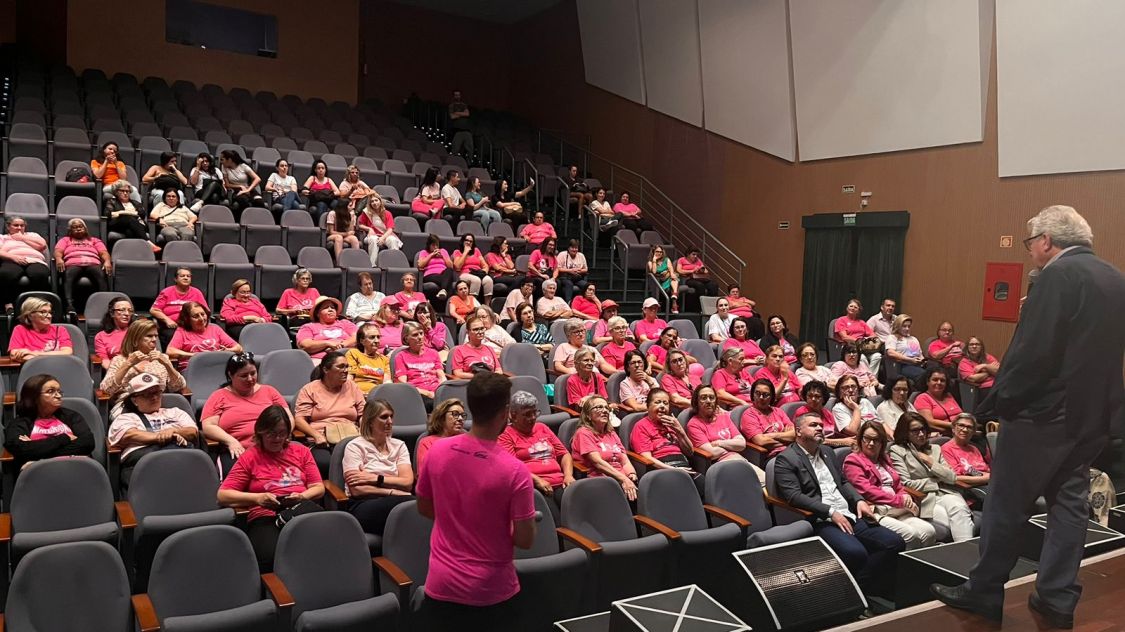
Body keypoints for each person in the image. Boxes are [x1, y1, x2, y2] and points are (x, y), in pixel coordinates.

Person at [415, 373, 536, 629]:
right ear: (505, 413)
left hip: (441, 584)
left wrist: (460, 517)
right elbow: (525, 540)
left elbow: (424, 507)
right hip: (491, 591)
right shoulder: (515, 471)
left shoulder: (437, 450)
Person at [774, 412, 906, 596]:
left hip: (849, 514)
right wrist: (830, 512)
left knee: (895, 542)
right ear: (798, 431)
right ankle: (854, 594)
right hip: (822, 520)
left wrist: (859, 500)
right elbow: (793, 496)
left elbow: (843, 482)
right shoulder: (786, 459)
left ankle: (859, 589)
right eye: (813, 425)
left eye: (820, 424)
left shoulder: (827, 452)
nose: (819, 428)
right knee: (855, 552)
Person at [218, 405, 324, 570]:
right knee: (269, 555)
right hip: (265, 515)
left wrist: (302, 496)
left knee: (323, 538)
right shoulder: (250, 457)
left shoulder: (301, 451)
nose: (277, 439)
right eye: (271, 433)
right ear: (260, 432)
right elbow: (223, 495)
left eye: (282, 433)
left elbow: (318, 487)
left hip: (300, 506)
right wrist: (257, 498)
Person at [843, 421, 937, 550]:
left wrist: (904, 495)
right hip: (877, 510)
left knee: (929, 531)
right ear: (860, 439)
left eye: (876, 440)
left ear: (882, 442)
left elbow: (898, 484)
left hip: (898, 508)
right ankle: (906, 569)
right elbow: (867, 490)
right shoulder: (853, 460)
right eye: (867, 439)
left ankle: (924, 567)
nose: (871, 443)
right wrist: (899, 500)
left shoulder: (884, 458)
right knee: (911, 534)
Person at [889, 412, 975, 543]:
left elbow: (952, 477)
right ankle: (963, 554)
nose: (921, 434)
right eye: (915, 430)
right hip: (924, 498)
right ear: (905, 432)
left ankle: (967, 553)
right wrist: (937, 480)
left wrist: (931, 462)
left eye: (923, 429)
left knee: (960, 510)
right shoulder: (898, 451)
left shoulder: (935, 449)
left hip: (946, 493)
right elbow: (906, 483)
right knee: (951, 523)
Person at [201, 353, 291, 475]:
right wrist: (231, 441)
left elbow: (288, 418)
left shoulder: (269, 391)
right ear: (230, 375)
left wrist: (281, 436)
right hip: (239, 449)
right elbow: (208, 426)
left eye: (253, 373)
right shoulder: (219, 396)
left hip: (273, 445)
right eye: (243, 375)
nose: (250, 379)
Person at [107, 372, 198, 490]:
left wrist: (173, 431)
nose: (154, 397)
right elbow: (129, 435)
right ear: (134, 400)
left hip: (181, 460)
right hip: (144, 466)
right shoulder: (126, 418)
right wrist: (165, 436)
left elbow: (192, 432)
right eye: (147, 394)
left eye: (156, 392)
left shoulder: (176, 412)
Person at [342, 399, 414, 537]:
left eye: (391, 416)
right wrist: (393, 491)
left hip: (398, 501)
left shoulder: (399, 446)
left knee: (414, 512)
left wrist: (375, 478)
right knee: (412, 508)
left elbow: (407, 482)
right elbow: (357, 490)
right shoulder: (355, 447)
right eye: (384, 417)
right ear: (370, 421)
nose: (390, 421)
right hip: (363, 504)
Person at [499, 390, 575, 518]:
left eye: (535, 412)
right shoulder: (506, 435)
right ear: (513, 415)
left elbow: (564, 454)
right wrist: (537, 480)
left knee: (578, 511)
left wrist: (568, 475)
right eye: (527, 414)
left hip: (561, 482)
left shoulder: (542, 428)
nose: (533, 417)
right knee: (554, 517)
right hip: (534, 487)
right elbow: (511, 468)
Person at [4, 374, 95, 470]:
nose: (59, 396)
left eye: (59, 391)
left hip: (77, 470)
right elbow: (20, 449)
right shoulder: (20, 422)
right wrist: (65, 438)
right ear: (34, 396)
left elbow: (87, 443)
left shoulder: (71, 416)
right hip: (39, 475)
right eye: (51, 391)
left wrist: (37, 451)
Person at [296, 350, 364, 474]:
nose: (345, 370)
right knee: (325, 463)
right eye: (340, 367)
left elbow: (363, 414)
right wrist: (316, 435)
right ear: (326, 370)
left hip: (351, 438)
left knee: (364, 463)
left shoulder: (352, 387)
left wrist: (364, 431)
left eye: (346, 367)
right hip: (323, 441)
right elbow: (299, 419)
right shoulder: (310, 389)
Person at [571, 396, 639, 500]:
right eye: (598, 407)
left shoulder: (611, 433)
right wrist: (623, 479)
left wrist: (631, 474)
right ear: (588, 415)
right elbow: (598, 463)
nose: (604, 411)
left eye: (606, 408)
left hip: (621, 479)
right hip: (599, 481)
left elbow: (624, 459)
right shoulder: (583, 433)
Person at [100, 319, 186, 397]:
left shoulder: (162, 359)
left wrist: (167, 364)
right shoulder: (119, 360)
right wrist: (128, 364)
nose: (154, 339)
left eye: (156, 336)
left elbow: (180, 386)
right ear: (135, 340)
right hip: (129, 407)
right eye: (149, 336)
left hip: (157, 404)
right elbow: (106, 390)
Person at [629, 389, 696, 478]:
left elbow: (690, 452)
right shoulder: (641, 426)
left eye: (665, 403)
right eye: (657, 402)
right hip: (662, 468)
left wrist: (680, 430)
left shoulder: (671, 424)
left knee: (701, 483)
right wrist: (673, 469)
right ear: (648, 405)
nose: (662, 406)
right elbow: (647, 458)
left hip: (682, 464)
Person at [54, 218, 110, 312]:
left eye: (80, 227)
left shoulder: (94, 240)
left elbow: (104, 253)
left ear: (85, 228)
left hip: (93, 263)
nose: (78, 229)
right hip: (73, 263)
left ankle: (103, 304)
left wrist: (107, 261)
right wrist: (59, 259)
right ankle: (69, 305)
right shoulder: (65, 240)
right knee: (67, 276)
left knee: (101, 275)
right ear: (70, 231)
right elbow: (58, 251)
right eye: (75, 227)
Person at [167, 301, 242, 371]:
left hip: (216, 367)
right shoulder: (182, 331)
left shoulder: (215, 328)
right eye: (196, 316)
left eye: (203, 314)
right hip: (193, 369)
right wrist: (194, 355)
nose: (201, 319)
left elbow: (238, 348)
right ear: (187, 319)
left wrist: (227, 351)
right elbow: (170, 351)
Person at [686, 384, 748, 466]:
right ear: (696, 402)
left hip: (739, 459)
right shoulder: (693, 424)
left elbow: (742, 444)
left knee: (763, 477)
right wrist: (732, 446)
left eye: (711, 398)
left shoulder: (723, 417)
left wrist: (719, 443)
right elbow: (712, 453)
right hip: (719, 464)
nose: (708, 401)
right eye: (703, 398)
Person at [0, 216, 50, 311]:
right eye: (16, 225)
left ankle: (36, 305)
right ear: (8, 227)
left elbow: (42, 245)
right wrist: (14, 257)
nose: (19, 228)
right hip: (12, 260)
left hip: (34, 260)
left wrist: (22, 238)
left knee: (40, 274)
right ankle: (8, 304)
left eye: (22, 225)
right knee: (5, 274)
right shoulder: (3, 237)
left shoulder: (33, 235)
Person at [394, 322, 445, 411]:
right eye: (415, 335)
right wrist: (427, 393)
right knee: (432, 404)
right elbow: (403, 383)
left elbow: (442, 377)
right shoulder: (401, 356)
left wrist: (441, 391)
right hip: (417, 393)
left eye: (421, 333)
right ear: (406, 339)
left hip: (437, 392)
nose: (420, 337)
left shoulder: (433, 353)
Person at [738, 379, 795, 458]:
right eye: (757, 393)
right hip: (771, 456)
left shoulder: (778, 411)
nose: (761, 397)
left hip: (791, 450)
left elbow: (794, 434)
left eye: (765, 394)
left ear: (771, 397)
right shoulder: (749, 415)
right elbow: (761, 441)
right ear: (752, 395)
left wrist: (771, 435)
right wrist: (785, 437)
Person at [150, 267, 208, 346]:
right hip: (172, 327)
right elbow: (154, 310)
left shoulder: (197, 292)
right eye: (182, 276)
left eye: (188, 276)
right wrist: (167, 320)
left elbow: (206, 311)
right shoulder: (166, 292)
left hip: (192, 326)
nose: (186, 278)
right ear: (175, 279)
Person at [7, 298, 73, 363]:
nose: (49, 316)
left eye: (50, 312)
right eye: (43, 312)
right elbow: (14, 354)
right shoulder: (20, 329)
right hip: (32, 371)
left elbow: (67, 352)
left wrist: (35, 353)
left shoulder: (60, 330)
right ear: (30, 315)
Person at [296, 297, 358, 363]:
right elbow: (305, 345)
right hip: (321, 360)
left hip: (349, 357)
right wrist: (327, 343)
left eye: (332, 307)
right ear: (317, 314)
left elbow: (358, 337)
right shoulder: (308, 327)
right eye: (325, 307)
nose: (330, 309)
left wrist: (341, 345)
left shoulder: (345, 323)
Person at [939, 414, 991, 490]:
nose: (965, 430)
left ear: (973, 432)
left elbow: (982, 470)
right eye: (961, 425)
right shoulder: (946, 449)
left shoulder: (973, 448)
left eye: (969, 427)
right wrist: (985, 478)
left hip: (985, 483)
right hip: (968, 488)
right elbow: (954, 477)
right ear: (953, 428)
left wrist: (986, 476)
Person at [796, 380, 854, 448]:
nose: (813, 399)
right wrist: (842, 441)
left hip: (829, 447)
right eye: (810, 396)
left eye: (817, 396)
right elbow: (811, 439)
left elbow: (835, 434)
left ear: (823, 399)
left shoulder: (827, 413)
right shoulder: (802, 412)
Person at [833, 299, 882, 377]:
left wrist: (869, 341)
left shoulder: (862, 322)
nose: (853, 308)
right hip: (850, 348)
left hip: (864, 347)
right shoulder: (841, 320)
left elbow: (873, 335)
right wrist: (859, 341)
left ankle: (872, 379)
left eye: (855, 307)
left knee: (877, 356)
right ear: (847, 308)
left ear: (858, 310)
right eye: (851, 306)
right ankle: (864, 377)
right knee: (861, 358)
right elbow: (844, 337)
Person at [416, 399, 467, 471]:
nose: (460, 419)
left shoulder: (467, 439)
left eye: (463, 415)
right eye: (455, 414)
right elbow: (424, 473)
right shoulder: (427, 442)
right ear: (442, 417)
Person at [103, 181, 156, 249]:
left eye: (127, 191)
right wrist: (130, 213)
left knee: (129, 231)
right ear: (116, 192)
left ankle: (129, 252)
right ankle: (148, 243)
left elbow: (142, 214)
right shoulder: (112, 201)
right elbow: (108, 214)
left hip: (137, 225)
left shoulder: (136, 203)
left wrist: (120, 213)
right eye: (122, 191)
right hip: (118, 224)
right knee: (128, 218)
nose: (125, 193)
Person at [451, 314, 502, 378]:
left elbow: (498, 370)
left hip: (490, 382)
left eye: (482, 328)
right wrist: (478, 376)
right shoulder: (459, 350)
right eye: (476, 329)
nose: (480, 332)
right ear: (468, 332)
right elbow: (458, 373)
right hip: (471, 383)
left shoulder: (490, 349)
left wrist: (491, 376)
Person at [357, 194, 402, 265]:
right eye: (372, 201)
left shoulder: (387, 213)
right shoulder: (366, 212)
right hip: (372, 236)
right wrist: (369, 229)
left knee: (392, 240)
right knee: (374, 239)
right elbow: (360, 225)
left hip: (385, 235)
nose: (374, 203)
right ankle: (373, 265)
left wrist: (383, 238)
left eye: (376, 200)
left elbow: (390, 229)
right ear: (370, 204)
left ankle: (394, 264)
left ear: (380, 201)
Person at [914, 367, 962, 434]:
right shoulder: (922, 398)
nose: (939, 383)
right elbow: (929, 422)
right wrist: (955, 425)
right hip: (944, 433)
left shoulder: (948, 395)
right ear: (927, 382)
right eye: (935, 380)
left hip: (960, 430)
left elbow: (960, 414)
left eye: (942, 380)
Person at [219, 149, 263, 221]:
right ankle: (247, 221)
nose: (221, 162)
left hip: (248, 189)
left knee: (259, 202)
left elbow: (257, 179)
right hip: (236, 191)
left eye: (222, 159)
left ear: (229, 160)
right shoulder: (224, 167)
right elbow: (227, 184)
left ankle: (259, 222)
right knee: (244, 201)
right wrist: (240, 186)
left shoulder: (243, 166)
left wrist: (248, 189)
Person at [346, 323, 391, 394]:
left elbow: (387, 382)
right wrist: (358, 394)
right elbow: (349, 380)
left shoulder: (384, 359)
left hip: (377, 395)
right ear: (362, 341)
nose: (376, 341)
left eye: (378, 337)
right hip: (357, 394)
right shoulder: (353, 354)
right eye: (372, 337)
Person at [831, 375, 878, 439]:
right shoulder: (838, 409)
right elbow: (853, 431)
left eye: (853, 386)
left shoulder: (865, 402)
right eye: (845, 387)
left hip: (876, 436)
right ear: (839, 393)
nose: (850, 390)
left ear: (858, 390)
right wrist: (856, 409)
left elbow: (879, 422)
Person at [452, 234, 493, 303]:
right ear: (462, 241)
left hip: (477, 273)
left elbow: (485, 265)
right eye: (467, 240)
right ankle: (472, 304)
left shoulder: (476, 251)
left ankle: (487, 306)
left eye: (471, 241)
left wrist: (483, 272)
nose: (469, 243)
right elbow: (457, 267)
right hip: (465, 274)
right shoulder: (457, 252)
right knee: (476, 280)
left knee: (488, 280)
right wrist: (465, 252)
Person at [95, 296, 135, 368]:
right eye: (122, 310)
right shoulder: (101, 336)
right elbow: (105, 361)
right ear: (112, 313)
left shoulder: (137, 331)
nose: (127, 313)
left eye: (130, 310)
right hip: (116, 371)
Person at [884, 314, 926, 381]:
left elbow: (919, 354)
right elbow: (890, 352)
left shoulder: (913, 339)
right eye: (904, 326)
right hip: (902, 365)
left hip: (917, 364)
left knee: (935, 371)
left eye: (909, 326)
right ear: (898, 326)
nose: (907, 329)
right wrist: (910, 360)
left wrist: (922, 360)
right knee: (923, 374)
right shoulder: (892, 337)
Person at [418, 234, 456, 302]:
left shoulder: (443, 251)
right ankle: (447, 300)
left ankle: (443, 290)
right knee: (448, 283)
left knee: (449, 271)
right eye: (433, 245)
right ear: (429, 245)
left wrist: (443, 256)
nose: (435, 247)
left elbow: (451, 266)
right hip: (430, 275)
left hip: (443, 274)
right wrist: (431, 255)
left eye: (437, 245)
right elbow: (420, 265)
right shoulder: (424, 252)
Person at [301, 159, 338, 224]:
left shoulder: (329, 180)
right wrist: (312, 193)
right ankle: (321, 226)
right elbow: (304, 189)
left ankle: (338, 226)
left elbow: (338, 192)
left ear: (325, 170)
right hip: (317, 200)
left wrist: (328, 194)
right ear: (315, 170)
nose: (321, 170)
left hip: (328, 199)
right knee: (322, 204)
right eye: (319, 168)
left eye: (323, 168)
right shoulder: (312, 178)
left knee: (336, 203)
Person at [648, 245, 680, 313]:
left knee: (674, 278)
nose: (659, 253)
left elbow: (671, 269)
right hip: (659, 282)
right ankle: (674, 305)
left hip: (669, 278)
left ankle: (674, 299)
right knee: (674, 281)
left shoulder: (666, 259)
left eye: (660, 252)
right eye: (657, 251)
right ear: (653, 252)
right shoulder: (650, 262)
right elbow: (654, 272)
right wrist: (654, 260)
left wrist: (670, 274)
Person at [447, 89, 474, 158]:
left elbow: (467, 114)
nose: (457, 96)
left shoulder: (463, 105)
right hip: (458, 131)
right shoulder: (451, 105)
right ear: (453, 96)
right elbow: (452, 116)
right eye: (456, 95)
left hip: (467, 130)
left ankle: (468, 164)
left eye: (458, 95)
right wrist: (462, 113)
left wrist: (457, 113)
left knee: (470, 148)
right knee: (455, 149)